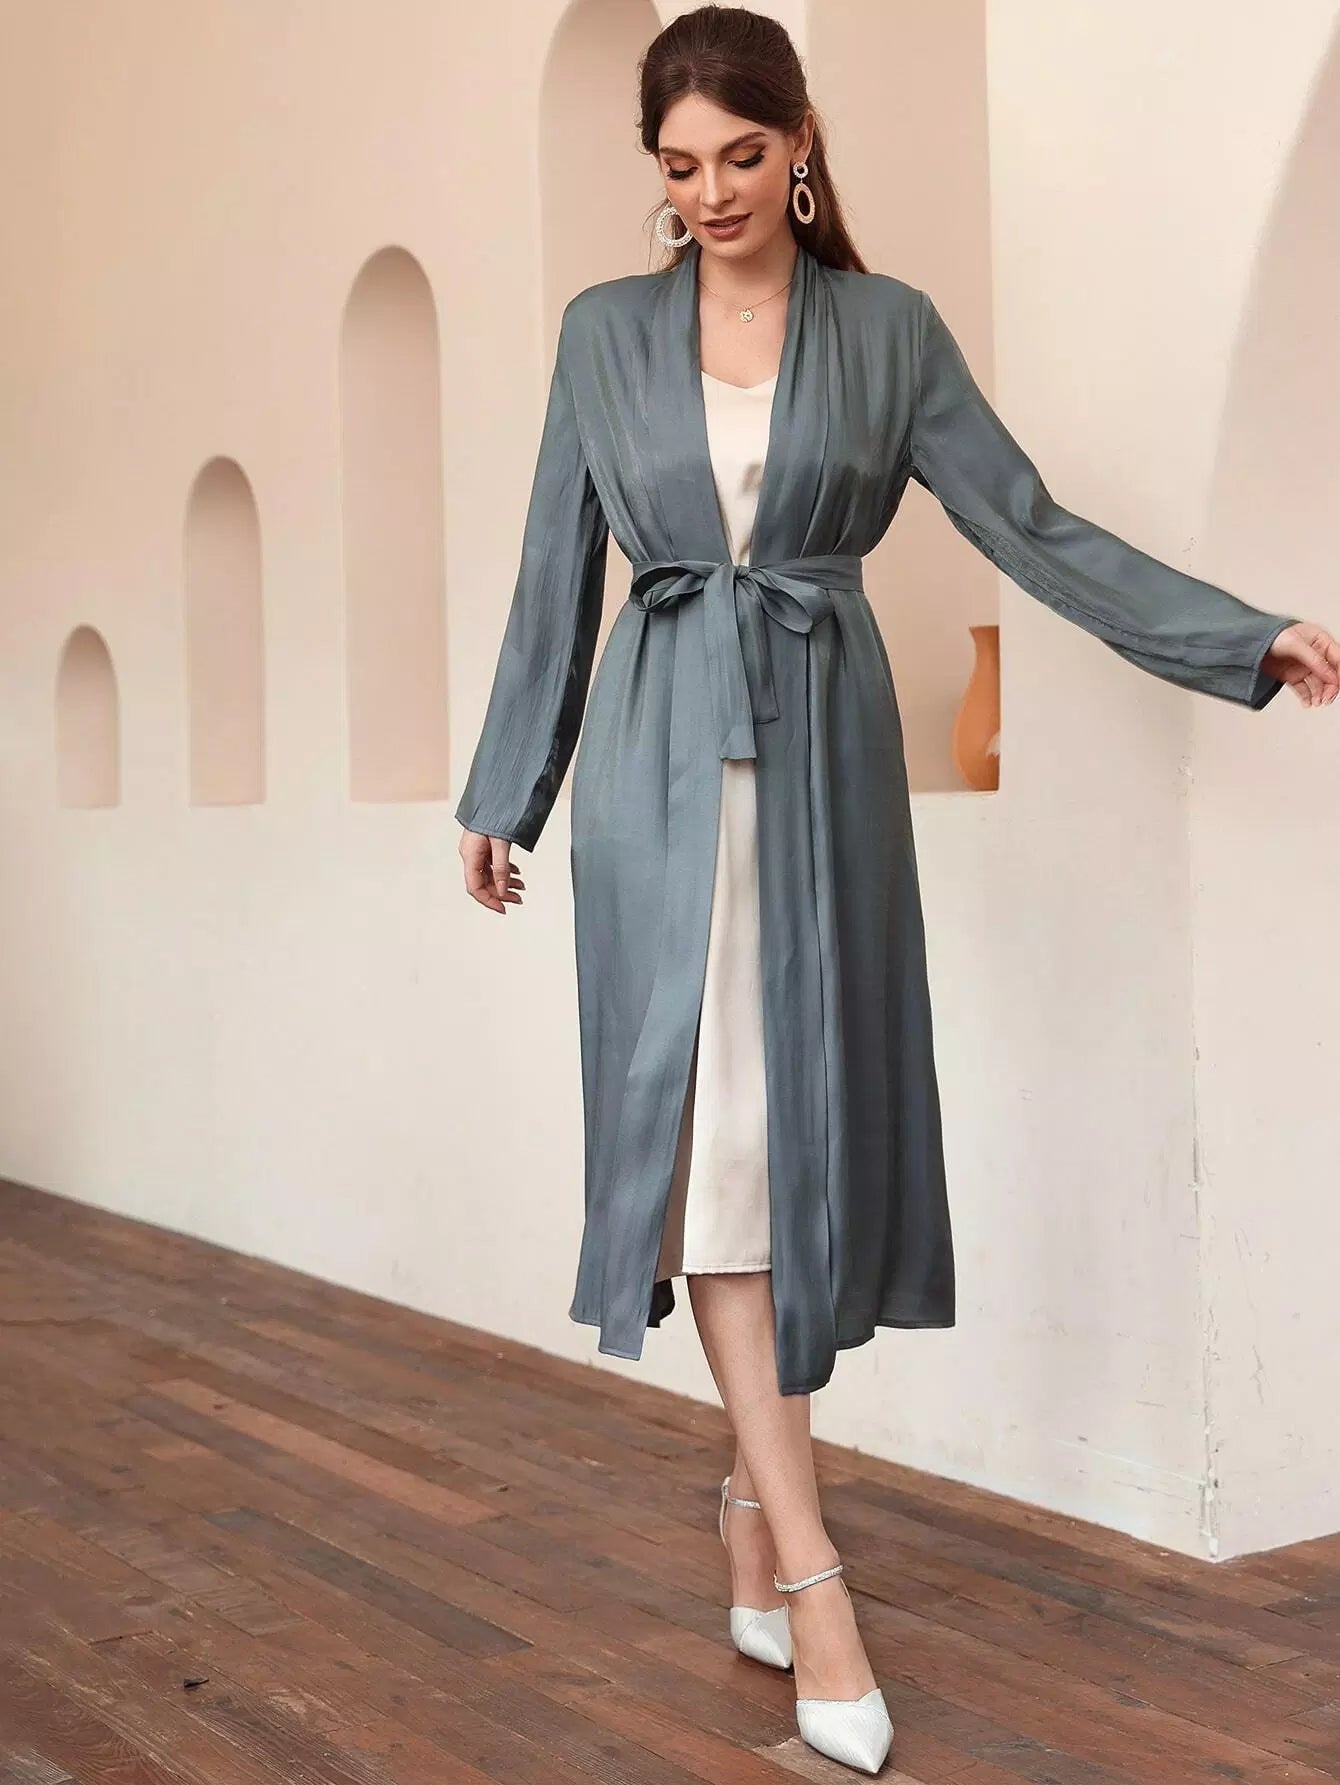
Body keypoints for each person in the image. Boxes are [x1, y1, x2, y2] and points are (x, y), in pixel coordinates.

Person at [455, 6, 1339, 1773]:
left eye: (741, 154)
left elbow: (1031, 524)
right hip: (652, 777)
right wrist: (508, 790)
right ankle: (816, 1573)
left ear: (801, 143)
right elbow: (559, 567)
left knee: (796, 1153)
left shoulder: (889, 330)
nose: (712, 192)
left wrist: (1237, 639)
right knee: (707, 1155)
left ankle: (746, 1498)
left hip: (824, 773)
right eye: (680, 166)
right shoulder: (601, 335)